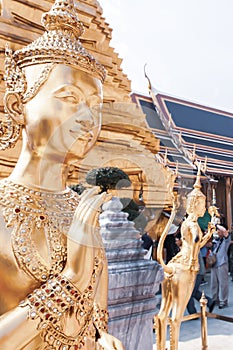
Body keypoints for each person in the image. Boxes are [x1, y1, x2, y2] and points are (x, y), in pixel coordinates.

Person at [0, 1, 125, 349]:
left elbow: (95, 315)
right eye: (69, 97)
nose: (87, 118)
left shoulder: (81, 210)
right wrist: (70, 279)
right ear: (16, 105)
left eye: (95, 107)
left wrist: (102, 336)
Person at [155, 165, 215, 350]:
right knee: (176, 315)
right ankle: (173, 346)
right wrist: (207, 232)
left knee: (164, 311)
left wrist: (209, 232)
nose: (203, 207)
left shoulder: (187, 222)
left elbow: (194, 244)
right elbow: (196, 243)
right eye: (202, 204)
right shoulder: (192, 224)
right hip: (188, 266)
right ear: (195, 204)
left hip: (176, 263)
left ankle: (160, 345)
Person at [210, 224, 231, 309]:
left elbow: (225, 231)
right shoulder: (216, 240)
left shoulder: (226, 239)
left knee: (223, 283)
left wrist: (216, 224)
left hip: (222, 263)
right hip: (214, 263)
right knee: (214, 283)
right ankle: (215, 299)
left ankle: (223, 300)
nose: (218, 232)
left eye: (219, 230)